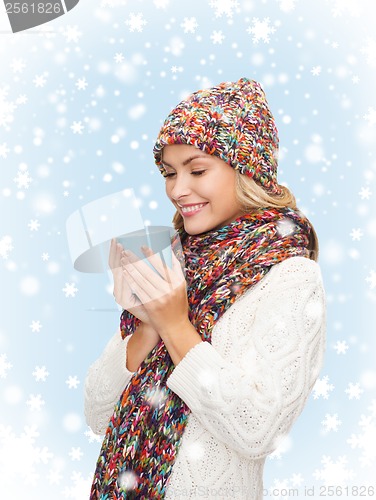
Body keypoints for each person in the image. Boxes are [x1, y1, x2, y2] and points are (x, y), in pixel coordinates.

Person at [84, 77, 326, 499]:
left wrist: (176, 326)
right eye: (169, 173)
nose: (178, 190)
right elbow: (98, 417)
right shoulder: (175, 262)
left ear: (249, 170)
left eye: (197, 169)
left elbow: (257, 432)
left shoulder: (291, 277)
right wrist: (146, 327)